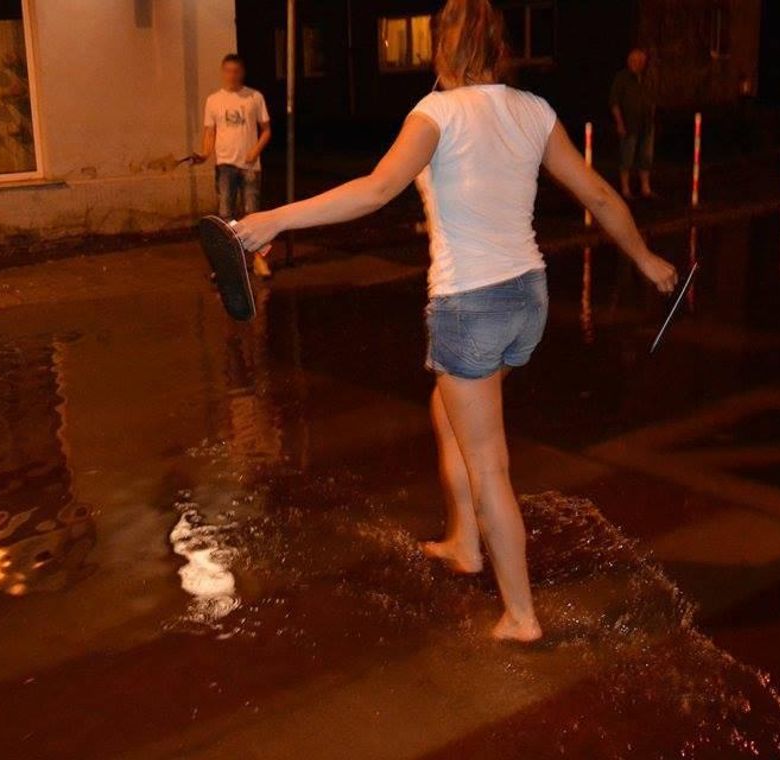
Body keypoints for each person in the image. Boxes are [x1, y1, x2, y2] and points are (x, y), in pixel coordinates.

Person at [233, 0, 677, 642]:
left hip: (470, 303)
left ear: (443, 48)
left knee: (488, 463)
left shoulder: (436, 114)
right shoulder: (533, 111)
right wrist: (645, 258)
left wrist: (275, 218)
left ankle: (521, 615)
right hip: (527, 297)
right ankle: (464, 541)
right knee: (448, 412)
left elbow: (376, 189)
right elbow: (600, 194)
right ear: (500, 47)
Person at [197, 54, 273, 279]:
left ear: (242, 72)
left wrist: (255, 151)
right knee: (225, 215)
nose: (232, 75)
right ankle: (226, 263)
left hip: (249, 165)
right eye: (228, 71)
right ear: (223, 72)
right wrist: (205, 153)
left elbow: (266, 130)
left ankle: (260, 261)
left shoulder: (254, 97)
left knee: (252, 215)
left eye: (236, 71)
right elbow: (210, 132)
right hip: (225, 165)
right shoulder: (214, 100)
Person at [610, 49, 657, 199]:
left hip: (646, 125)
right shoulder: (622, 78)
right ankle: (625, 189)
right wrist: (619, 123)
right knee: (627, 157)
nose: (638, 64)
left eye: (641, 62)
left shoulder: (646, 78)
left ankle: (645, 188)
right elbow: (614, 102)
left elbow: (651, 98)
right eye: (635, 61)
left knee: (646, 157)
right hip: (629, 125)